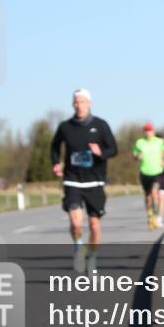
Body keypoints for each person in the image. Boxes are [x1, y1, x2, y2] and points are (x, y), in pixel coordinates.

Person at [51, 88, 118, 274]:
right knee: (76, 223)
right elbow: (55, 147)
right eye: (76, 102)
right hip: (73, 180)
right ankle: (79, 248)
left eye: (82, 102)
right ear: (73, 105)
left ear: (90, 104)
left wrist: (100, 153)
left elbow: (113, 149)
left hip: (95, 181)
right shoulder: (65, 127)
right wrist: (56, 163)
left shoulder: (101, 125)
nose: (79, 106)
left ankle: (93, 258)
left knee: (95, 225)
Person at [134, 124, 164, 229]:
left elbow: (163, 152)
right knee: (148, 197)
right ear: (144, 132)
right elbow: (135, 156)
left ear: (153, 131)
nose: (148, 133)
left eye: (150, 131)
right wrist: (138, 157)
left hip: (157, 171)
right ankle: (150, 216)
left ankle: (157, 216)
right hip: (144, 172)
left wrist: (163, 161)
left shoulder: (159, 141)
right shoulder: (139, 142)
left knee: (154, 193)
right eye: (146, 131)